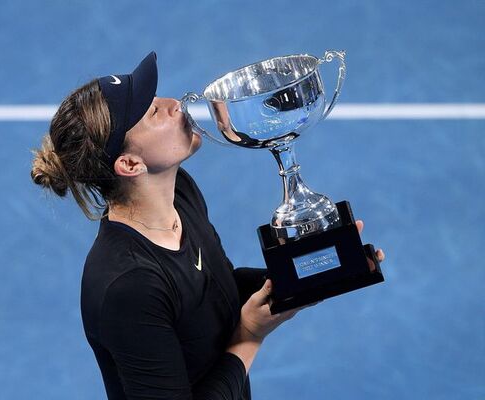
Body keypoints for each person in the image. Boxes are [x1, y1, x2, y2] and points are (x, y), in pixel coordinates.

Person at [30, 51, 386, 400]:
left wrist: (314, 273)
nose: (175, 104)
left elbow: (213, 290)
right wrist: (248, 336)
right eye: (154, 111)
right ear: (130, 164)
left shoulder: (179, 193)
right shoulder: (130, 285)